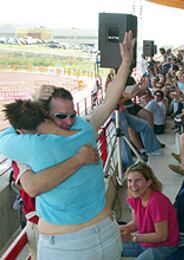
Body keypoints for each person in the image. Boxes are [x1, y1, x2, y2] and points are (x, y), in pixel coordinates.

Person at [0, 31, 135, 259]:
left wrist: (37, 108)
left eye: (72, 115)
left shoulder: (32, 145)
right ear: (47, 115)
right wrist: (126, 63)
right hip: (107, 233)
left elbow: (13, 132)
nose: (70, 121)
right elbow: (110, 99)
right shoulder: (85, 128)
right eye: (62, 116)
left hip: (68, 246)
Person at [120, 162, 179, 259]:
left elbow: (161, 236)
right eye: (130, 181)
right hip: (144, 243)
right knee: (110, 248)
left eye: (138, 180)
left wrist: (133, 238)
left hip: (164, 246)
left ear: (148, 182)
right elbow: (136, 223)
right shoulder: (134, 198)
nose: (133, 185)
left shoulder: (157, 202)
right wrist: (119, 230)